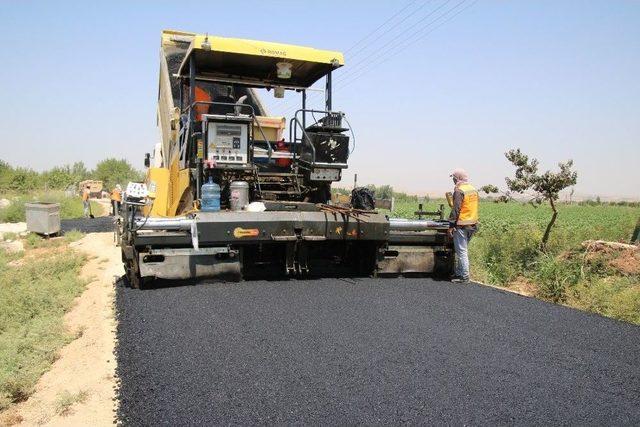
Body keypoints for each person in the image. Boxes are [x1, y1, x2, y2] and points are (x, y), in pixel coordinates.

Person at [448, 168, 479, 283]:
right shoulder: (473, 189)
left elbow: (456, 209)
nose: (453, 180)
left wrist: (451, 225)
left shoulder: (459, 191)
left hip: (461, 225)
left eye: (454, 178)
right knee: (463, 250)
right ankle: (459, 273)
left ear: (458, 178)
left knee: (461, 251)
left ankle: (464, 276)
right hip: (472, 224)